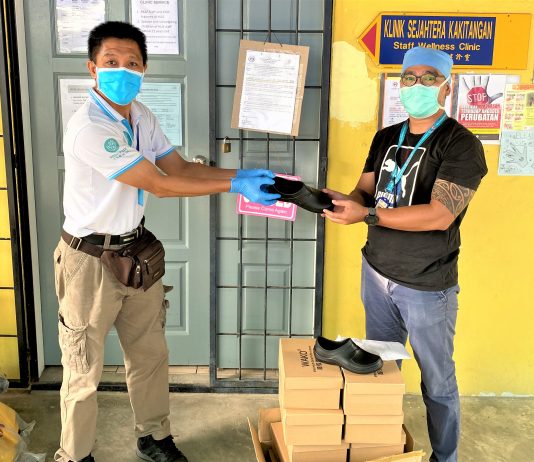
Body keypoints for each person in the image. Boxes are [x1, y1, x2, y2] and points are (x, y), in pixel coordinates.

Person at [54, 21, 279, 462]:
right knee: (83, 371)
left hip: (135, 253)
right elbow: (158, 184)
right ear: (92, 68)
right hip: (88, 261)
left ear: (144, 69)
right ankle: (75, 455)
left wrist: (241, 174)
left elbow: (178, 168)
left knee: (151, 355)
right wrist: (234, 187)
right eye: (111, 61)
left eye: (132, 62)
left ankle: (154, 437)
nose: (122, 70)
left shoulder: (141, 116)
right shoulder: (89, 128)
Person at [323, 47, 487, 462]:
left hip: (426, 284)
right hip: (377, 272)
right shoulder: (386, 137)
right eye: (409, 77)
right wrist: (338, 201)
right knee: (379, 369)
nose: (417, 85)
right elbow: (365, 190)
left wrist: (367, 215)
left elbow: (440, 215)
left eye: (429, 77)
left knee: (437, 380)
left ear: (447, 87)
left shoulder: (461, 145)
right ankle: (384, 448)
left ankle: (444, 457)